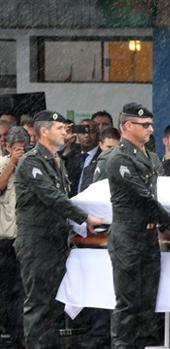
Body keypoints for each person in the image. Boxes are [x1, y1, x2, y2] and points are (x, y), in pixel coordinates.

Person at [13, 111, 104, 348]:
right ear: (44, 131)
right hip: (37, 244)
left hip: (54, 243)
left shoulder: (56, 161)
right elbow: (51, 196)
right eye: (60, 128)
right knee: (39, 304)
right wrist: (84, 217)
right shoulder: (32, 161)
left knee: (54, 305)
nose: (66, 132)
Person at [106, 103, 170, 348]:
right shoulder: (118, 157)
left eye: (151, 124)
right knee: (128, 304)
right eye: (145, 125)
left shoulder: (149, 156)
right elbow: (142, 197)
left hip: (148, 238)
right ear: (128, 126)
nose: (151, 129)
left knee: (146, 305)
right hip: (128, 238)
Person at [0, 127, 29, 347]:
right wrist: (12, 163)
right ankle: (9, 330)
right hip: (4, 238)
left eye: (23, 148)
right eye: (15, 148)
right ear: (7, 147)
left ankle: (22, 332)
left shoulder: (34, 165)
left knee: (24, 288)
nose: (20, 151)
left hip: (27, 237)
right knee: (6, 288)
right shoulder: (2, 163)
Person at [65, 119, 101, 196]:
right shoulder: (72, 154)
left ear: (98, 134)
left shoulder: (103, 156)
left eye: (91, 132)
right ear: (77, 134)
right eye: (83, 132)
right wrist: (65, 141)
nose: (87, 135)